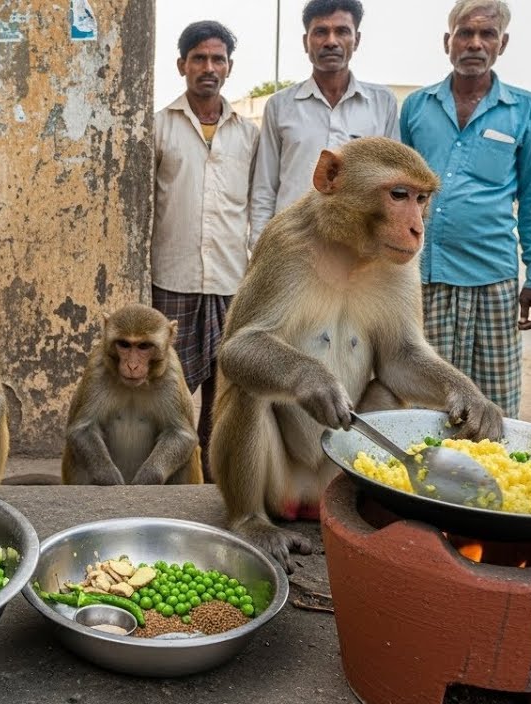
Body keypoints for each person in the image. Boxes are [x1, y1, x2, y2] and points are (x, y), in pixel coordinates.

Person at [399, 0, 531, 418]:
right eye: (465, 33)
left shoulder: (524, 109)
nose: (475, 43)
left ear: (502, 43)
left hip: (494, 281)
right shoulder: (417, 106)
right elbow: (397, 193)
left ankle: (495, 482)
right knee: (425, 404)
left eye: (487, 34)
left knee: (495, 408)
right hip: (425, 278)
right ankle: (415, 484)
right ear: (447, 41)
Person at [151, 20, 259, 483]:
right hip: (171, 276)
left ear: (229, 68)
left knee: (223, 386)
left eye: (217, 59)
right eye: (199, 58)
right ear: (182, 66)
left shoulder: (247, 135)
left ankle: (214, 476)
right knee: (166, 383)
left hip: (231, 278)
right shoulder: (160, 127)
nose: (208, 68)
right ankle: (168, 473)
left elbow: (257, 204)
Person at [250, 0, 399, 241]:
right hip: (293, 245)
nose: (331, 41)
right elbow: (264, 190)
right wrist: (259, 245)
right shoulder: (279, 106)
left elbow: (392, 183)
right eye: (320, 31)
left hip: (358, 248)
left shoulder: (382, 104)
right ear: (305, 41)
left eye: (342, 31)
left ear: (357, 40)